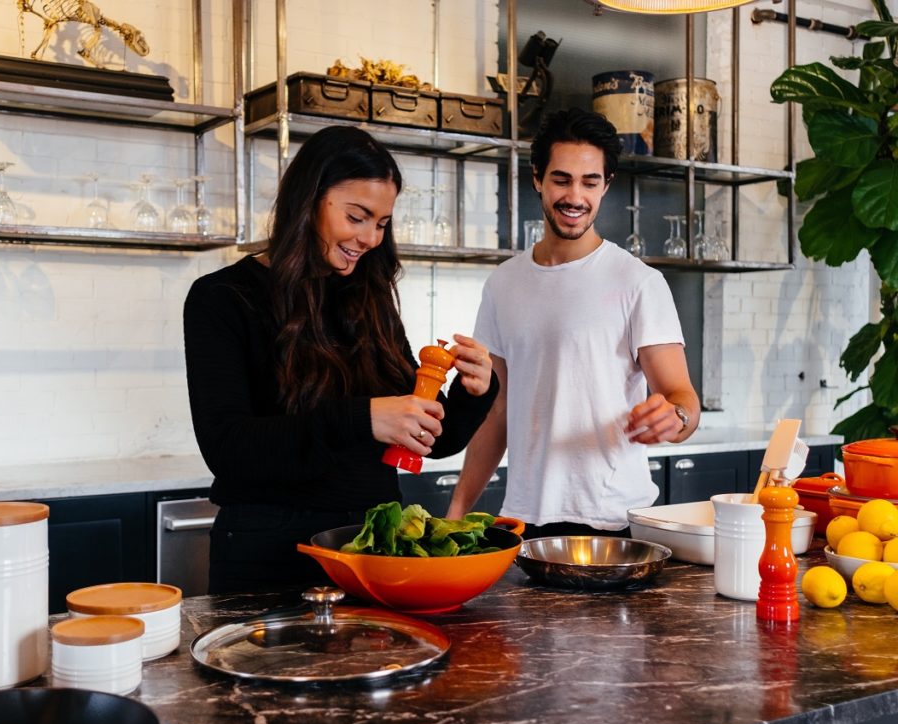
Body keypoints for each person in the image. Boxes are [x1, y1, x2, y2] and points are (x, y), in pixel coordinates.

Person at [184, 125, 498, 593]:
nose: (371, 238)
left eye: (382, 223)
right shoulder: (222, 298)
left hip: (372, 551)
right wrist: (363, 419)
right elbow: (228, 450)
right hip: (268, 559)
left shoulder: (369, 297)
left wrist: (473, 392)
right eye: (357, 216)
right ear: (309, 199)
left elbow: (426, 440)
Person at [446, 107, 699, 538]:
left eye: (590, 182)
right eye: (561, 179)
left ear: (606, 186)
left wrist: (674, 419)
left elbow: (683, 400)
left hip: (615, 521)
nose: (575, 196)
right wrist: (456, 512)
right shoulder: (504, 283)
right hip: (525, 520)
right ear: (537, 179)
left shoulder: (639, 282)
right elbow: (497, 411)